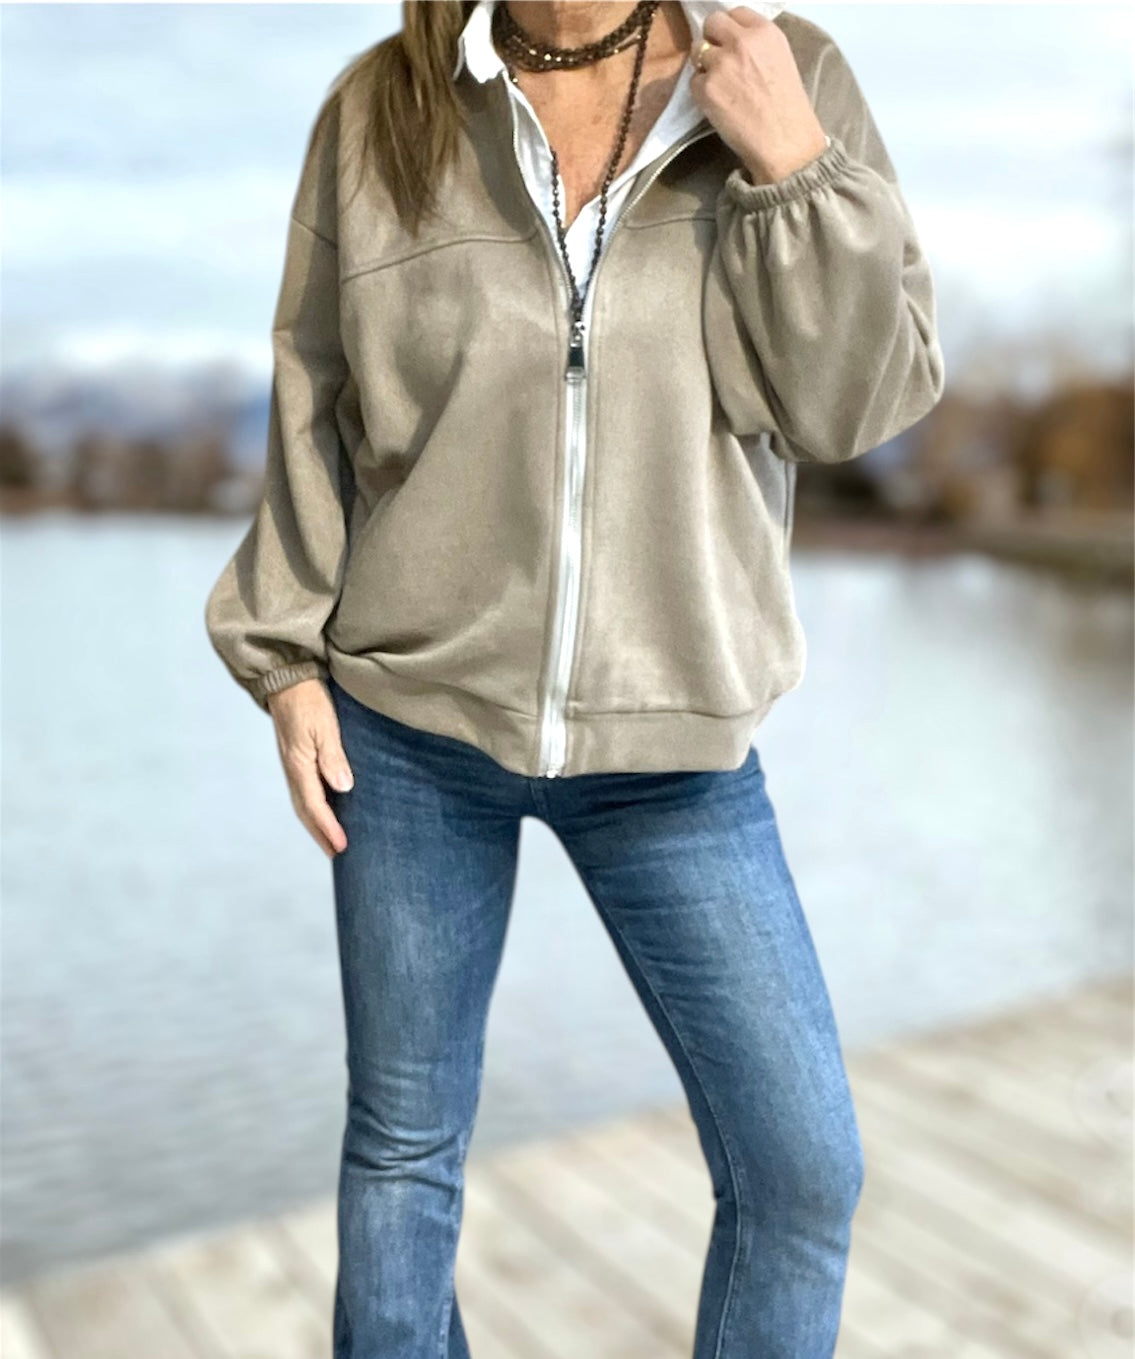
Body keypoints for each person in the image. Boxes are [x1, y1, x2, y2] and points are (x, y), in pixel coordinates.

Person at [204, 1, 944, 1354]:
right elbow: (312, 389)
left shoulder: (782, 71)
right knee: (404, 1157)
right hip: (408, 729)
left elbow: (858, 407)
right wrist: (285, 657)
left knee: (801, 1171)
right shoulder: (381, 110)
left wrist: (792, 164)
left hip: (677, 749)